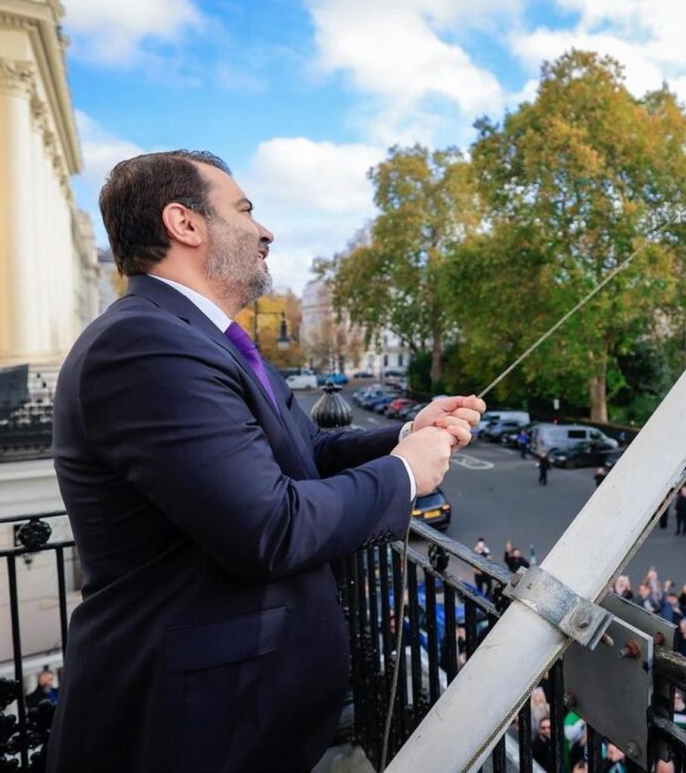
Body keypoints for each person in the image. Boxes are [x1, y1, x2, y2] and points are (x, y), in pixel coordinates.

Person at [48, 151, 485, 771]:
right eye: (246, 210)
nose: (265, 230)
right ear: (185, 224)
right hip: (193, 725)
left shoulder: (204, 336)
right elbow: (268, 528)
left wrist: (409, 432)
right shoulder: (143, 344)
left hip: (237, 713)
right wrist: (406, 472)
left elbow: (304, 452)